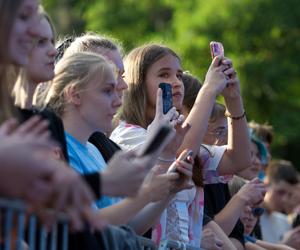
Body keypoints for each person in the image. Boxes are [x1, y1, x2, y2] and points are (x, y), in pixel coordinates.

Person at [110, 43, 249, 249]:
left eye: (179, 75)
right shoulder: (127, 135)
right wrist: (208, 91)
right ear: (137, 83)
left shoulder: (179, 134)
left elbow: (238, 159)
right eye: (164, 75)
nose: (176, 82)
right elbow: (178, 154)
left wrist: (233, 99)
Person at [181, 72, 262, 249]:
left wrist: (233, 99)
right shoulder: (142, 141)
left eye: (226, 132)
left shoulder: (206, 167)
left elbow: (237, 239)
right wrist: (241, 198)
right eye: (219, 132)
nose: (226, 140)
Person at [229, 176, 295, 250]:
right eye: (244, 206)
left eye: (257, 211)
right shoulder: (231, 239)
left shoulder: (247, 238)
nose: (250, 217)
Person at [261, 160, 300, 248]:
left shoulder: (285, 222)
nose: (285, 200)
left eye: (290, 194)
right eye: (280, 192)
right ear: (266, 185)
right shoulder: (250, 218)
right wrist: (283, 246)